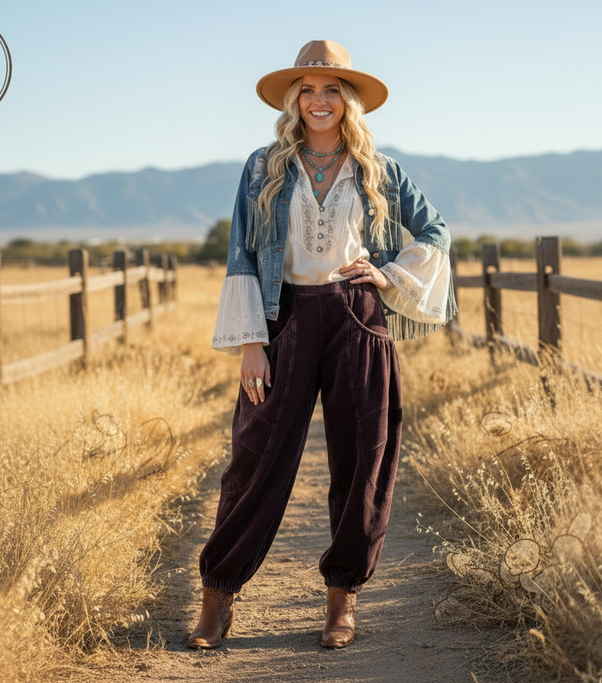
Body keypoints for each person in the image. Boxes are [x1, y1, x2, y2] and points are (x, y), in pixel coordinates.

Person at [188, 39, 456, 650]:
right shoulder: (263, 166)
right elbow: (241, 254)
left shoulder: (377, 169)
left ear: (349, 99)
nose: (318, 100)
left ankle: (342, 599)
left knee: (364, 456)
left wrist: (388, 275)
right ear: (292, 100)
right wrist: (251, 341)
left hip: (357, 318)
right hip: (283, 320)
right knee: (255, 458)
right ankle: (218, 597)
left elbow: (436, 228)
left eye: (331, 88)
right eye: (307, 89)